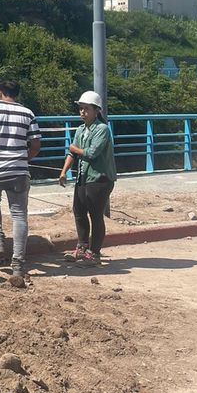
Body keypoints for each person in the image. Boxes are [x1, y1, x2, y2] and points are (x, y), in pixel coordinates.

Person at [0, 79, 41, 278]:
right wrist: (22, 158)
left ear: (0, 92)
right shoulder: (28, 113)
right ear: (17, 94)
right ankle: (18, 265)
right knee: (19, 215)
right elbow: (36, 145)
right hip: (18, 171)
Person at [59, 90, 117, 265]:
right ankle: (82, 247)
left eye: (86, 109)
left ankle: (95, 253)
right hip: (83, 178)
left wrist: (74, 149)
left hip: (100, 179)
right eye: (81, 109)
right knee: (79, 211)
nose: (82, 112)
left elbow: (91, 153)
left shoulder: (102, 129)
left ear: (96, 110)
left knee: (95, 214)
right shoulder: (81, 130)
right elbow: (72, 153)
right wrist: (63, 172)